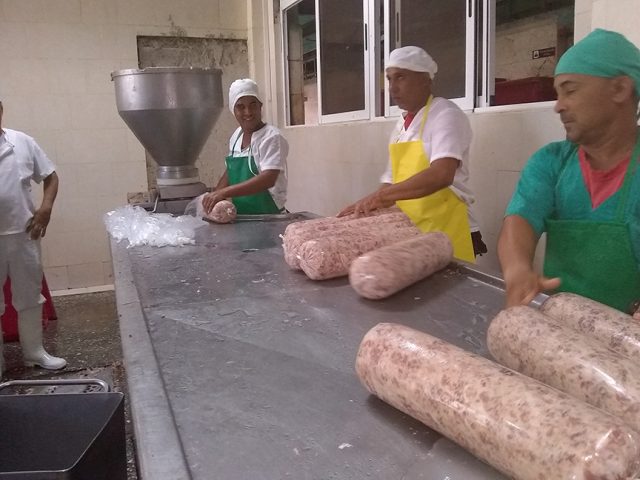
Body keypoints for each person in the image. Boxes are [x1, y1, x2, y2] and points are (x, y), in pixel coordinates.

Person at [498, 29, 640, 313]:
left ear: (620, 89)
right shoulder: (552, 162)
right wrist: (517, 269)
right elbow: (521, 218)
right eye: (557, 93)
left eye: (570, 90)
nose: (558, 106)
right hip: (561, 330)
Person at [338, 46, 486, 263]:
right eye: (389, 79)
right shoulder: (402, 125)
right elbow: (390, 182)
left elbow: (441, 174)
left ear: (426, 80)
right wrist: (365, 207)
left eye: (401, 77)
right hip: (412, 229)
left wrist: (379, 198)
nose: (392, 88)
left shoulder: (446, 114)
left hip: (448, 228)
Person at [0, 98, 67, 373]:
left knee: (29, 294)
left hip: (24, 233)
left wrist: (46, 209)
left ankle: (35, 352)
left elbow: (50, 176)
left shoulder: (23, 142)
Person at [202, 78, 288, 215]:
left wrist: (224, 192)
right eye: (240, 107)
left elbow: (268, 178)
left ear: (260, 106)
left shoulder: (271, 137)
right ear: (233, 110)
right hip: (243, 217)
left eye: (253, 105)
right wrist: (214, 196)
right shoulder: (236, 136)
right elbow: (230, 171)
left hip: (270, 217)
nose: (248, 112)